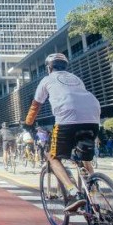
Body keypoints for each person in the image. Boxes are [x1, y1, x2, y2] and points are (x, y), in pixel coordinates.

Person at [24, 53, 101, 213]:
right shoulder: (75, 78)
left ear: (49, 67)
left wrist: (28, 122)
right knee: (85, 157)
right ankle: (95, 195)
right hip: (93, 117)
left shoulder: (46, 80)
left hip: (67, 119)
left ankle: (74, 193)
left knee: (53, 157)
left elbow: (36, 105)